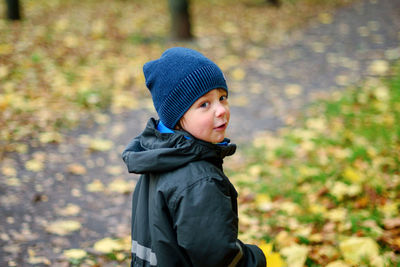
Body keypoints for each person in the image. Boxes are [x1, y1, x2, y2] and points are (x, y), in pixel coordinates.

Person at [122, 47, 266, 267]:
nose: (221, 110)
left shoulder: (157, 158)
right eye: (204, 104)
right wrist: (257, 258)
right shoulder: (199, 181)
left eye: (222, 97)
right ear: (177, 118)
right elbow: (218, 259)